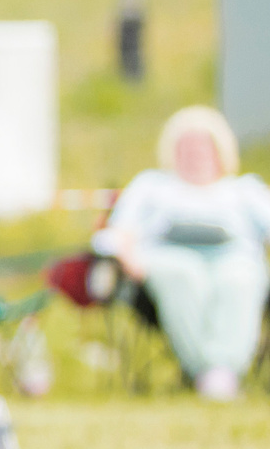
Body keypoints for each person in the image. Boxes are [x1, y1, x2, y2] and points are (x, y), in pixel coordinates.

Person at [93, 105, 269, 401]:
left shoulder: (243, 190)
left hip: (233, 256)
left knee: (238, 279)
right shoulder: (152, 186)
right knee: (183, 275)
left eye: (202, 147)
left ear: (220, 150)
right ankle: (205, 370)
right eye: (185, 147)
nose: (194, 154)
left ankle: (224, 370)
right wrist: (128, 256)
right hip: (167, 258)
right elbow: (116, 234)